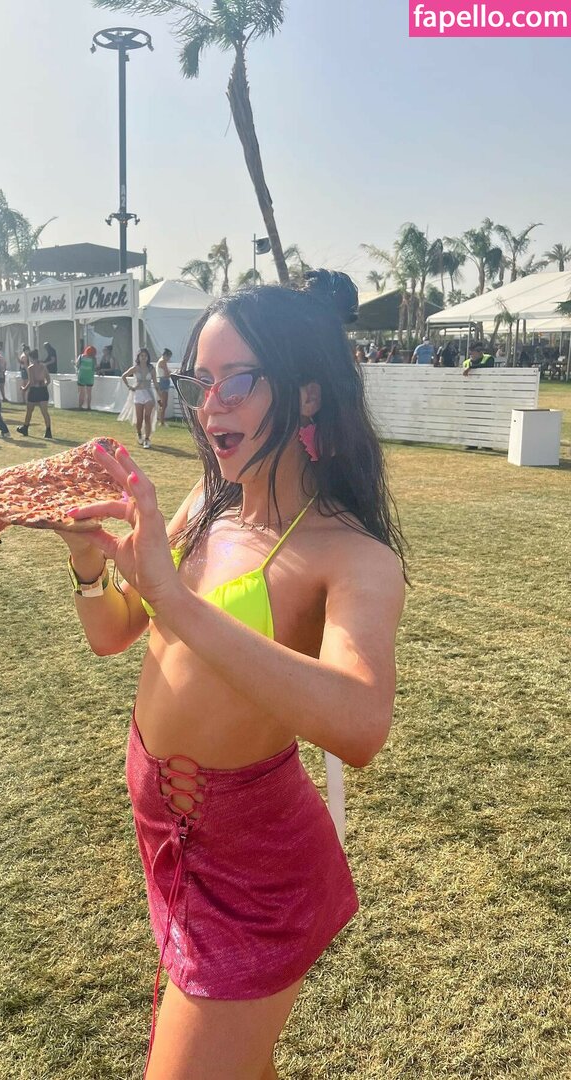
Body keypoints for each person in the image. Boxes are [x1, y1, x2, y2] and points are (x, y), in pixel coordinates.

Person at [53, 274, 406, 1080]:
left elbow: (361, 724)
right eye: (200, 382)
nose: (211, 406)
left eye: (237, 381)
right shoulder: (206, 505)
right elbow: (113, 635)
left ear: (307, 394)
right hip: (170, 847)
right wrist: (88, 565)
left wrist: (173, 598)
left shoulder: (350, 556)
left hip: (257, 875)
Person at [122, 347, 159, 449]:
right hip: (138, 394)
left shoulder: (151, 368)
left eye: (145, 356)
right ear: (138, 357)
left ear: (148, 357)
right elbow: (124, 376)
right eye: (142, 355)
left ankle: (147, 438)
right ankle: (139, 433)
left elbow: (155, 383)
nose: (143, 357)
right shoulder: (135, 368)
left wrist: (159, 397)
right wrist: (129, 386)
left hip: (148, 393)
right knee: (139, 418)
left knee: (147, 417)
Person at [16, 349, 52, 438]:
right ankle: (48, 431)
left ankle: (25, 428)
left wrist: (24, 389)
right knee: (45, 412)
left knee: (29, 411)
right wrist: (43, 385)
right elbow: (48, 380)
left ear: (31, 358)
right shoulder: (43, 366)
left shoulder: (30, 368)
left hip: (34, 391)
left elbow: (31, 382)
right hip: (43, 390)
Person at [76, 345, 97, 410]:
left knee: (81, 392)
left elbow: (77, 365)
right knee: (89, 393)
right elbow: (95, 368)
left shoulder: (81, 357)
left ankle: (80, 406)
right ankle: (88, 406)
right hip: (90, 377)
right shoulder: (93, 359)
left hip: (81, 376)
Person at [156, 349, 173, 427]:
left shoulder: (161, 361)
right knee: (164, 404)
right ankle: (162, 422)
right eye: (169, 357)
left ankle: (161, 420)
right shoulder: (163, 362)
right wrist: (173, 374)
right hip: (163, 382)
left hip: (163, 382)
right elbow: (166, 374)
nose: (169, 359)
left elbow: (167, 372)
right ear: (166, 355)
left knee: (163, 403)